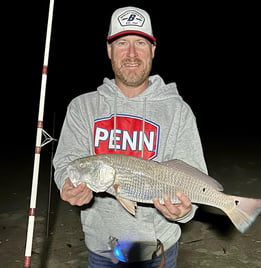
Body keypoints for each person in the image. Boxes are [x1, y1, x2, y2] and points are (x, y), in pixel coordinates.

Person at [53, 6, 207, 268]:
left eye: (141, 43)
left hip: (159, 251)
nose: (132, 54)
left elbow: (194, 176)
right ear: (109, 50)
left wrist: (185, 211)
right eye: (122, 43)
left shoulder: (178, 110)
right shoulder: (83, 107)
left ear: (153, 50)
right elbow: (67, 162)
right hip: (102, 251)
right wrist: (67, 183)